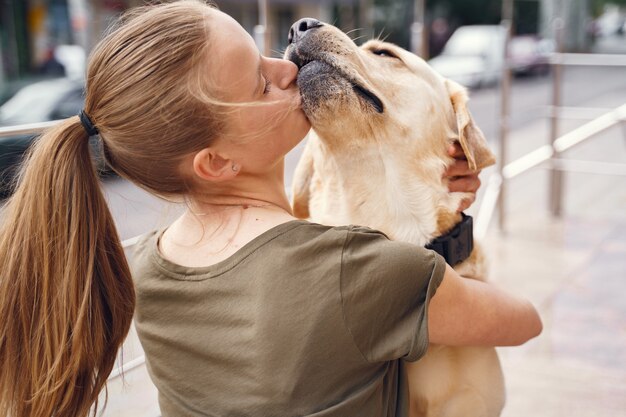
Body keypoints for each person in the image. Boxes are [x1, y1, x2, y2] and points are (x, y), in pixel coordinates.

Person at [0, 2, 542, 417]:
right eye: (262, 81)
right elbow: (523, 321)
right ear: (215, 162)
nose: (286, 65)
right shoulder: (361, 274)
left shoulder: (143, 266)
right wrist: (450, 229)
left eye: (264, 52)